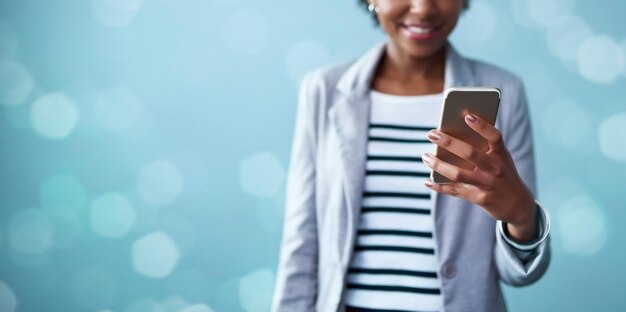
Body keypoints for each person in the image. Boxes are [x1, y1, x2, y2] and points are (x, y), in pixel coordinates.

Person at [272, 0, 551, 311]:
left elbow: (518, 273)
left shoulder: (504, 92)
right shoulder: (325, 89)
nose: (422, 8)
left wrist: (522, 216)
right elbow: (302, 241)